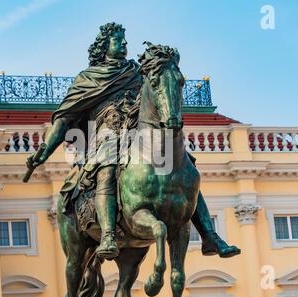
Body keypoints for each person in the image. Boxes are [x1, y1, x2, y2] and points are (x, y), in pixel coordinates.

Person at [27, 22, 240, 260]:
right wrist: (44, 151)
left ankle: (210, 235)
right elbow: (64, 118)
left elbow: (156, 98)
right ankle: (108, 234)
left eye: (125, 40)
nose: (125, 44)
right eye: (119, 40)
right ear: (105, 45)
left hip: (139, 134)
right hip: (105, 137)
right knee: (106, 167)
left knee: (184, 167)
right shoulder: (87, 78)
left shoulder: (137, 71)